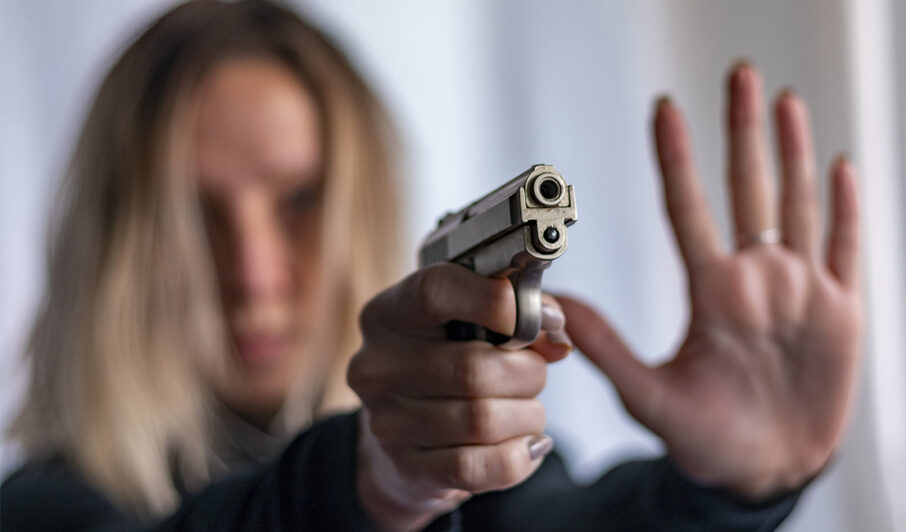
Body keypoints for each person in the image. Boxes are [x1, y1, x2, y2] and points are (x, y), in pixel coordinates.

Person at [1, 1, 862, 531]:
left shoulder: (466, 477)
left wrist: (727, 489)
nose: (254, 274)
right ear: (117, 249)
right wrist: (369, 483)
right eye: (195, 216)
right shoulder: (43, 509)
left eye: (299, 202)